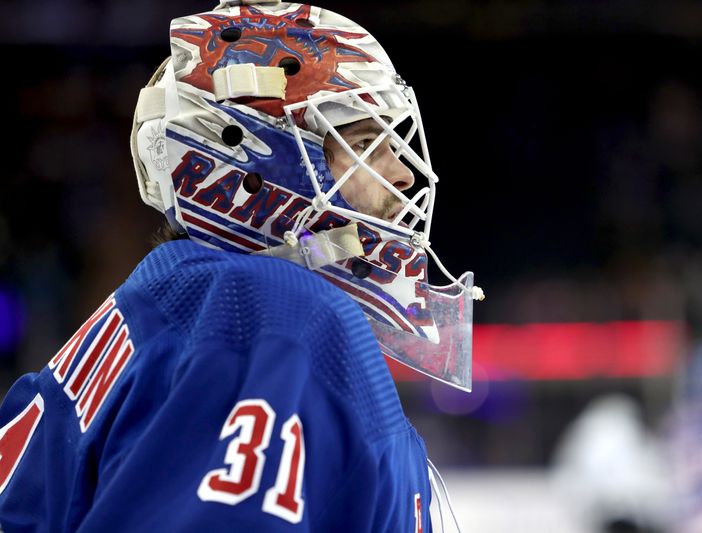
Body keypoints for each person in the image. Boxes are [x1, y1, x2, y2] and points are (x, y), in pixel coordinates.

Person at [0, 1, 482, 531]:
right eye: (365, 143)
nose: (402, 175)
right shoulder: (273, 313)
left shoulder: (169, 307)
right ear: (254, 166)